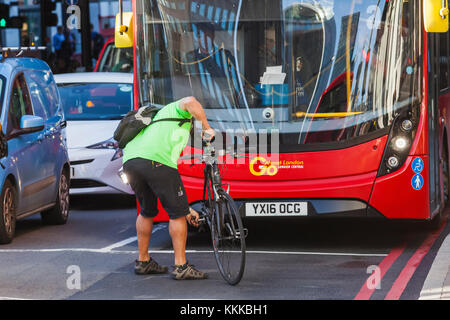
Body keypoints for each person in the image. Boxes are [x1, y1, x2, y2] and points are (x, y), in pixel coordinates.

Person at [122, 96, 215, 280]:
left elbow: (165, 191)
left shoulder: (156, 123)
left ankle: (143, 261)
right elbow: (191, 101)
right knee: (177, 215)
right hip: (156, 161)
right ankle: (181, 266)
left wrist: (185, 208)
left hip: (131, 162)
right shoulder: (174, 109)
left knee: (147, 211)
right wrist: (206, 127)